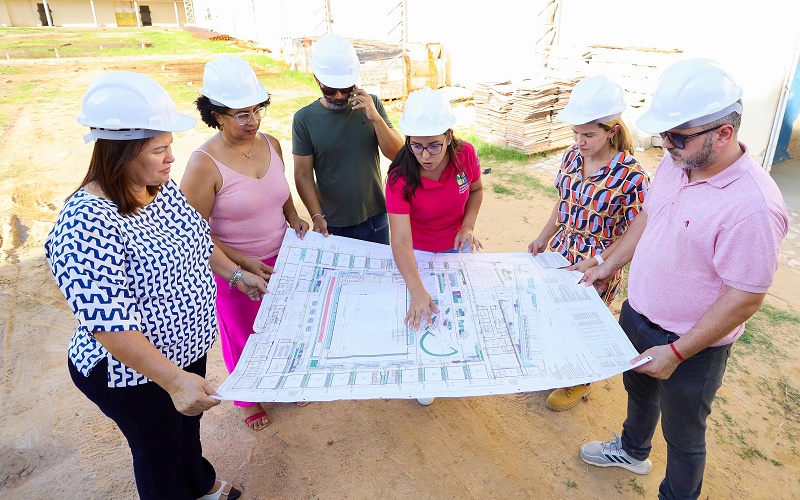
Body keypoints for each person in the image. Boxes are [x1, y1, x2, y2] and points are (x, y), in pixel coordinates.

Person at [45, 71, 268, 500]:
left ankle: (200, 484)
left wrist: (238, 277)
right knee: (158, 450)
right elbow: (107, 322)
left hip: (185, 352)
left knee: (187, 427)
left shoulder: (159, 188)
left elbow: (197, 240)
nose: (171, 158)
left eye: (170, 146)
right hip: (134, 372)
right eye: (160, 149)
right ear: (121, 153)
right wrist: (173, 380)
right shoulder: (85, 225)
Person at [578, 59, 788, 499]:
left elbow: (746, 296)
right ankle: (633, 451)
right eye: (664, 134)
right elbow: (649, 218)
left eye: (677, 136)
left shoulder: (753, 208)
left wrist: (676, 351)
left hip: (692, 347)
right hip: (639, 314)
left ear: (724, 134)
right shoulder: (678, 163)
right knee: (638, 392)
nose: (666, 145)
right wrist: (607, 262)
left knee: (685, 436)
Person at [181, 55, 310, 431]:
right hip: (232, 267)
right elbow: (192, 231)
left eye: (257, 110)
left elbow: (279, 189)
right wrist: (239, 263)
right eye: (240, 114)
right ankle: (248, 396)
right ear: (216, 114)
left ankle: (284, 379)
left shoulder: (270, 143)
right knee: (243, 333)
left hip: (283, 255)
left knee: (285, 323)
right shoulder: (203, 164)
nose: (252, 120)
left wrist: (293, 216)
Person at [527, 75, 650, 411]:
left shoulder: (632, 176)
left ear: (611, 130)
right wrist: (543, 236)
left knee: (583, 323)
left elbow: (634, 232)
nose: (579, 141)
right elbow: (564, 201)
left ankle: (579, 381)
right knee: (555, 313)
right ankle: (561, 365)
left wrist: (600, 262)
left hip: (598, 262)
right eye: (575, 133)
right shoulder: (571, 157)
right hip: (562, 254)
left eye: (588, 135)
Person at [386, 87, 484, 406]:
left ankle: (451, 363)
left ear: (449, 136)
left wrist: (467, 226)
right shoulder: (400, 176)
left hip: (455, 250)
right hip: (418, 253)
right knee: (420, 311)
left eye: (434, 146)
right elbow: (400, 239)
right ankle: (423, 373)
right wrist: (416, 288)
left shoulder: (465, 154)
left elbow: (477, 190)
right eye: (416, 145)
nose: (425, 155)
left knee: (456, 311)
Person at [293, 33, 404, 244]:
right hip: (333, 224)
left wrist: (376, 118)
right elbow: (302, 174)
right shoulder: (304, 119)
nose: (339, 96)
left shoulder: (371, 104)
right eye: (330, 89)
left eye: (346, 88)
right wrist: (317, 216)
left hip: (376, 219)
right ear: (317, 79)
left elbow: (397, 154)